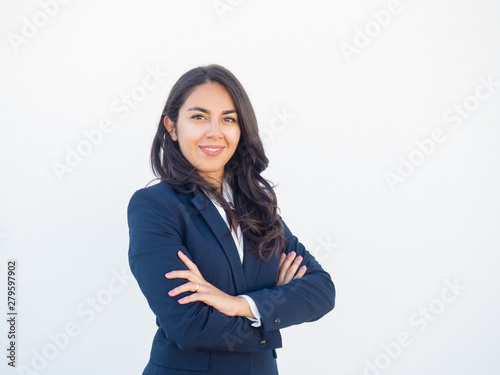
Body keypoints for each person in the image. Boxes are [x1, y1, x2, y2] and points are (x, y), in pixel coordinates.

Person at [127, 64, 335, 375]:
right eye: (199, 117)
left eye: (228, 119)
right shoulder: (155, 207)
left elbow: (321, 291)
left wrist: (240, 305)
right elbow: (189, 326)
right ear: (172, 126)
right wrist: (272, 312)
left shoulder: (258, 206)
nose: (215, 131)